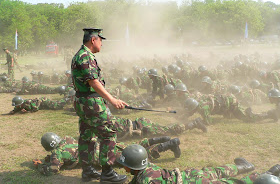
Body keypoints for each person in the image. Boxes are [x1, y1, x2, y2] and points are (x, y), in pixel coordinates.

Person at [71, 28, 128, 183]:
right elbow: (93, 82)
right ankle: (108, 172)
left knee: (86, 135)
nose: (102, 44)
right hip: (91, 103)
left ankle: (88, 171)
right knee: (109, 133)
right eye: (101, 40)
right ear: (93, 40)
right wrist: (112, 100)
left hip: (84, 102)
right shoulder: (85, 56)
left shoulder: (82, 55)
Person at [117, 144, 280, 184]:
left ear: (131, 166)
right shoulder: (147, 168)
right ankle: (245, 167)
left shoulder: (145, 180)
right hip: (187, 176)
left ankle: (267, 176)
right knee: (214, 172)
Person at [34, 133, 181, 176]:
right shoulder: (68, 139)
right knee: (131, 148)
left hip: (103, 156)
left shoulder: (57, 153)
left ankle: (167, 145)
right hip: (104, 145)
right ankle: (160, 139)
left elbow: (53, 170)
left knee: (134, 157)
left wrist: (40, 166)